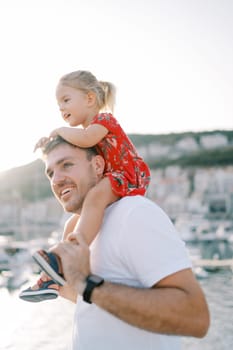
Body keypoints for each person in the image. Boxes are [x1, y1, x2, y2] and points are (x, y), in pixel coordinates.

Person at [21, 136, 209, 350]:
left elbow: (195, 317)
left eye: (67, 165)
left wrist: (85, 283)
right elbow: (101, 304)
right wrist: (69, 287)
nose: (56, 180)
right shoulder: (80, 228)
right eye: (51, 173)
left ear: (98, 165)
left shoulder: (134, 213)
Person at [21, 70, 151, 299]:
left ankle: (73, 255)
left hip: (127, 174)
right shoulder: (83, 131)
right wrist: (51, 140)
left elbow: (86, 140)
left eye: (66, 100)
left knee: (94, 199)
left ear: (90, 99)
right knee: (72, 223)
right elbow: (75, 143)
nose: (61, 108)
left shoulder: (104, 120)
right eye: (58, 104)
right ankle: (54, 272)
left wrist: (59, 131)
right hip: (113, 175)